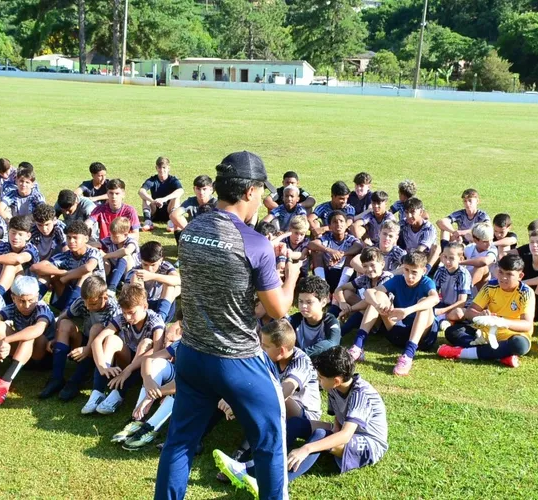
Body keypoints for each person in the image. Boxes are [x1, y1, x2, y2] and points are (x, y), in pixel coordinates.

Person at [156, 151, 301, 500]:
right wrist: (291, 276)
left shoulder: (190, 230)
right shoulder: (256, 243)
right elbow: (279, 309)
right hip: (239, 361)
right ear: (250, 191)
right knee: (270, 440)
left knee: (180, 442)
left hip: (192, 354)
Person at [214, 345, 387, 495]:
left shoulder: (361, 394)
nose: (318, 382)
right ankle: (252, 467)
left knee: (319, 435)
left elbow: (345, 436)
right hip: (345, 432)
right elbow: (337, 425)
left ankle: (274, 485)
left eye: (320, 378)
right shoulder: (335, 387)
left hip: (369, 444)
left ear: (335, 380)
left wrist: (306, 448)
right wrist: (327, 439)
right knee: (295, 424)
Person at [0, 275, 56, 405]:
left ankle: (4, 383)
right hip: (21, 354)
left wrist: (6, 340)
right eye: (21, 301)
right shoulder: (12, 308)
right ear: (13, 298)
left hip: (43, 357)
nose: (26, 305)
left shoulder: (41, 308)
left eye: (31, 300)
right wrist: (2, 340)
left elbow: (38, 329)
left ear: (37, 296)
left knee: (28, 336)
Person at [438, 254, 535, 368]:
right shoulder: (490, 286)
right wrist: (480, 315)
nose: (503, 278)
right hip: (484, 335)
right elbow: (470, 311)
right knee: (452, 331)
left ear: (520, 276)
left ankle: (460, 353)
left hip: (512, 336)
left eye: (509, 274)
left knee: (519, 345)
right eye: (501, 272)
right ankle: (502, 355)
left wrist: (502, 322)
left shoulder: (526, 292)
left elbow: (527, 325)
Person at [352, 252, 438, 374]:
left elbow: (435, 299)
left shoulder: (427, 282)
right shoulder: (397, 280)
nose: (409, 276)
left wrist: (407, 311)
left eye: (414, 272)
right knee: (378, 295)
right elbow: (368, 293)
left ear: (423, 271)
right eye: (406, 270)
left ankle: (408, 355)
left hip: (423, 338)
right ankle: (357, 347)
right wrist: (377, 305)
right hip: (398, 333)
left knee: (425, 302)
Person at [85, 283, 165, 414]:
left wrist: (128, 370)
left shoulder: (155, 321)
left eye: (131, 313)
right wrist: (102, 367)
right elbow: (97, 341)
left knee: (145, 343)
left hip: (144, 365)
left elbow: (157, 352)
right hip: (127, 357)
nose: (127, 317)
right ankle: (98, 391)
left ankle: (118, 394)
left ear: (145, 306)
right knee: (111, 339)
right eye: (124, 313)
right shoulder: (122, 318)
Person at [39, 275, 122, 401]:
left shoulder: (114, 308)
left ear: (104, 297)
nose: (88, 307)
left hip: (104, 352)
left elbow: (112, 337)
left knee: (97, 328)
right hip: (86, 341)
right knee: (64, 324)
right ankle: (56, 378)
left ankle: (76, 380)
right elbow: (62, 317)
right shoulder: (82, 301)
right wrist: (56, 338)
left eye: (93, 304)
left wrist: (88, 349)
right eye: (85, 303)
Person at [112, 325, 182, 450]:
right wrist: (148, 380)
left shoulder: (201, 346)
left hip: (194, 388)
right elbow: (148, 359)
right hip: (177, 379)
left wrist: (150, 396)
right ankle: (138, 419)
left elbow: (185, 381)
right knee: (156, 362)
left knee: (182, 390)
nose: (167, 343)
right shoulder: (182, 343)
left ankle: (151, 427)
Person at [31, 220, 104, 312]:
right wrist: (62, 273)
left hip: (93, 300)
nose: (71, 241)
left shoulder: (93, 252)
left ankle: (67, 312)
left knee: (86, 274)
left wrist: (67, 276)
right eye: (68, 238)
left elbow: (88, 267)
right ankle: (31, 304)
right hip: (68, 297)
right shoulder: (66, 255)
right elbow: (35, 267)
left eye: (75, 238)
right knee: (47, 272)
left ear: (86, 239)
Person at [126, 241, 181, 322]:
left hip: (163, 305)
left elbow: (178, 280)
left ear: (160, 260)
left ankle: (160, 319)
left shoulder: (165, 266)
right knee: (135, 277)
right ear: (141, 260)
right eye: (145, 264)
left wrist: (152, 276)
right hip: (143, 307)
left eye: (153, 265)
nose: (149, 269)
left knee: (170, 284)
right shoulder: (135, 270)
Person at [307, 211, 362, 291]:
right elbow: (311, 244)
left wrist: (343, 254)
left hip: (344, 275)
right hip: (327, 273)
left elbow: (359, 246)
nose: (339, 224)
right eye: (335, 222)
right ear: (329, 227)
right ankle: (323, 289)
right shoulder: (326, 238)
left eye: (341, 221)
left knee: (352, 256)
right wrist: (330, 251)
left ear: (346, 225)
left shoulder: (349, 238)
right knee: (316, 252)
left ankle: (339, 290)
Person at [286, 275, 340, 356]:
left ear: (323, 302)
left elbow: (333, 343)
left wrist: (302, 354)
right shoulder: (294, 320)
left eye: (309, 302)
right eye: (300, 301)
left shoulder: (330, 321)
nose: (303, 306)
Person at [431, 242, 473, 334]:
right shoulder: (440, 271)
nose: (447, 261)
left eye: (451, 258)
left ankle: (442, 319)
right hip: (445, 305)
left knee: (458, 313)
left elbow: (462, 302)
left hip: (460, 307)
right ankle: (445, 320)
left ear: (460, 259)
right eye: (445, 257)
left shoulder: (463, 274)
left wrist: (442, 311)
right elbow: (433, 292)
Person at [139, 156, 185, 232]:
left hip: (169, 211)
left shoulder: (173, 180)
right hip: (155, 210)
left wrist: (164, 199)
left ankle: (172, 222)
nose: (162, 170)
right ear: (156, 168)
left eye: (164, 167)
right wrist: (152, 201)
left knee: (177, 197)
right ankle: (148, 222)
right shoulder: (153, 180)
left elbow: (181, 191)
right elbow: (141, 191)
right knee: (145, 197)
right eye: (159, 167)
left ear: (168, 168)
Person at [169, 175, 217, 241]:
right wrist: (191, 231)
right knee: (176, 224)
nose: (201, 192)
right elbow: (174, 215)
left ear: (211, 189)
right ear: (194, 189)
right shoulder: (191, 201)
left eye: (204, 189)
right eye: (198, 189)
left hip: (209, 235)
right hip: (193, 234)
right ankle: (181, 248)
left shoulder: (216, 203)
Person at [100, 217, 139, 292]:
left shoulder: (131, 242)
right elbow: (96, 244)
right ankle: (105, 282)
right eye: (111, 235)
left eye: (115, 236)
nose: (112, 238)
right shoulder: (109, 240)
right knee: (104, 260)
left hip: (131, 273)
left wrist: (106, 255)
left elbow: (126, 251)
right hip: (114, 271)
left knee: (125, 256)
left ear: (125, 235)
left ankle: (112, 287)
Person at [399, 198, 438, 265]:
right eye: (406, 212)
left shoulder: (429, 228)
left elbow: (420, 250)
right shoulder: (403, 223)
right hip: (408, 257)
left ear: (421, 212)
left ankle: (425, 272)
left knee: (437, 248)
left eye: (412, 212)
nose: (409, 216)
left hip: (423, 259)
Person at [460, 222, 499, 290]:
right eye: (485, 241)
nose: (489, 244)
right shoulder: (469, 248)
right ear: (475, 240)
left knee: (481, 267)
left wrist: (459, 262)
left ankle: (466, 290)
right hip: (468, 280)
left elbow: (484, 262)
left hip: (486, 288)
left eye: (491, 239)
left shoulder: (493, 249)